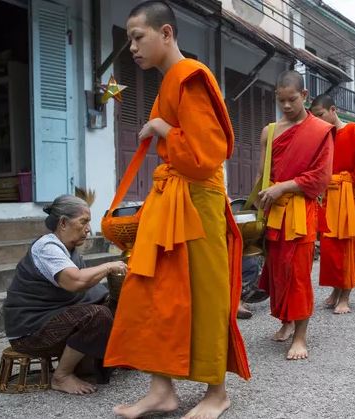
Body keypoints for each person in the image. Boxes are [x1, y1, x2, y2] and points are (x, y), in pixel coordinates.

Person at [104, 2, 250, 418]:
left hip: (197, 202)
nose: (131, 47)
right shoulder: (170, 80)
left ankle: (216, 392)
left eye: (138, 37)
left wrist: (162, 128)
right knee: (153, 291)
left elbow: (206, 155)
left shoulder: (190, 77)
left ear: (166, 33)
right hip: (171, 201)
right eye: (129, 39)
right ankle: (160, 388)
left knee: (204, 292)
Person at [3, 195, 127, 395]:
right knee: (97, 315)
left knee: (116, 306)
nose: (88, 229)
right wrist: (108, 266)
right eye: (83, 222)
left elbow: (90, 292)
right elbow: (75, 282)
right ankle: (61, 377)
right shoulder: (47, 248)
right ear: (63, 223)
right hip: (30, 331)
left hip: (54, 319)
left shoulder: (70, 250)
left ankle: (96, 362)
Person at [257, 70, 334, 360]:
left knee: (298, 272)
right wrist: (259, 201)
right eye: (281, 101)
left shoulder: (319, 131)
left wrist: (285, 187)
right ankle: (286, 321)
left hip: (300, 210)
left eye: (292, 100)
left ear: (304, 96)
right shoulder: (270, 131)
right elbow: (263, 174)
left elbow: (321, 177)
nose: (287, 106)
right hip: (274, 210)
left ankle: (301, 336)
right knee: (278, 271)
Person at [310, 94, 355, 314]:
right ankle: (336, 290)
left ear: (333, 110)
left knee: (349, 244)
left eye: (320, 115)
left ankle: (345, 295)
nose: (318, 120)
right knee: (330, 246)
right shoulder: (322, 135)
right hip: (330, 194)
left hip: (351, 193)